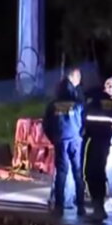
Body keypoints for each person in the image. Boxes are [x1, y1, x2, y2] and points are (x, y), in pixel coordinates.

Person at [42, 68, 85, 215]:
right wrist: (80, 135)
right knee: (78, 172)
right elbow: (84, 122)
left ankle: (59, 207)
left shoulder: (53, 104)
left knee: (61, 173)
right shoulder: (78, 103)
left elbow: (45, 125)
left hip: (60, 141)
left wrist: (54, 139)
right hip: (75, 141)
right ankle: (81, 206)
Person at [83, 78, 112, 219]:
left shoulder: (91, 100)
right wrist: (109, 135)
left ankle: (97, 205)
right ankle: (99, 205)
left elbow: (85, 120)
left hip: (94, 141)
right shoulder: (109, 103)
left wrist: (86, 135)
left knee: (91, 171)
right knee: (99, 170)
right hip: (104, 142)